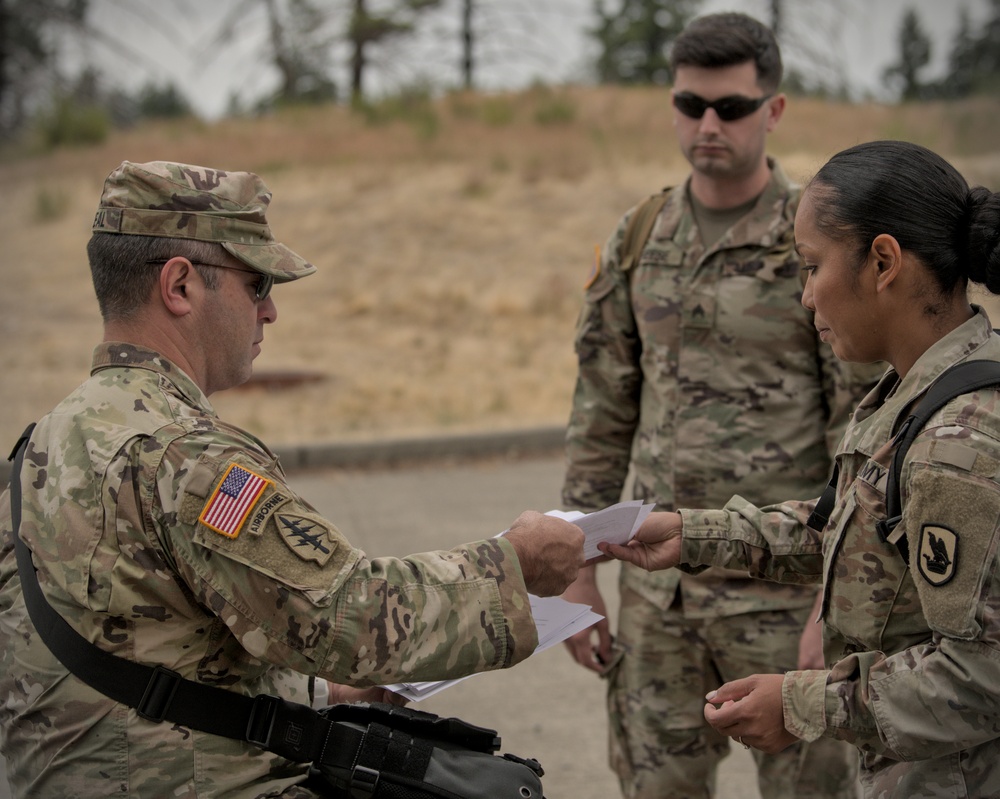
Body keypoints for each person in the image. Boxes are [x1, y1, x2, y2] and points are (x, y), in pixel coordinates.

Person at [0, 160, 586, 798]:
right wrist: (514, 567)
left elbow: (143, 648)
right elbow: (348, 617)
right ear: (179, 286)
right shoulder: (187, 457)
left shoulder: (42, 443)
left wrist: (322, 693)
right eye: (256, 284)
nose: (271, 310)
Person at [600, 139, 1000, 798]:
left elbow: (981, 675)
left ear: (883, 261)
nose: (807, 298)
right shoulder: (916, 395)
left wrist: (803, 704)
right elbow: (847, 531)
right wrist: (692, 534)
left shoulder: (957, 443)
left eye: (812, 267)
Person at [560, 11, 878, 799]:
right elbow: (601, 410)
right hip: (656, 601)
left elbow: (862, 431)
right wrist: (576, 572)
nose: (708, 124)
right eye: (690, 104)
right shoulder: (641, 236)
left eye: (731, 107)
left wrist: (835, 606)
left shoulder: (817, 239)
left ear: (772, 110)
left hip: (783, 594)